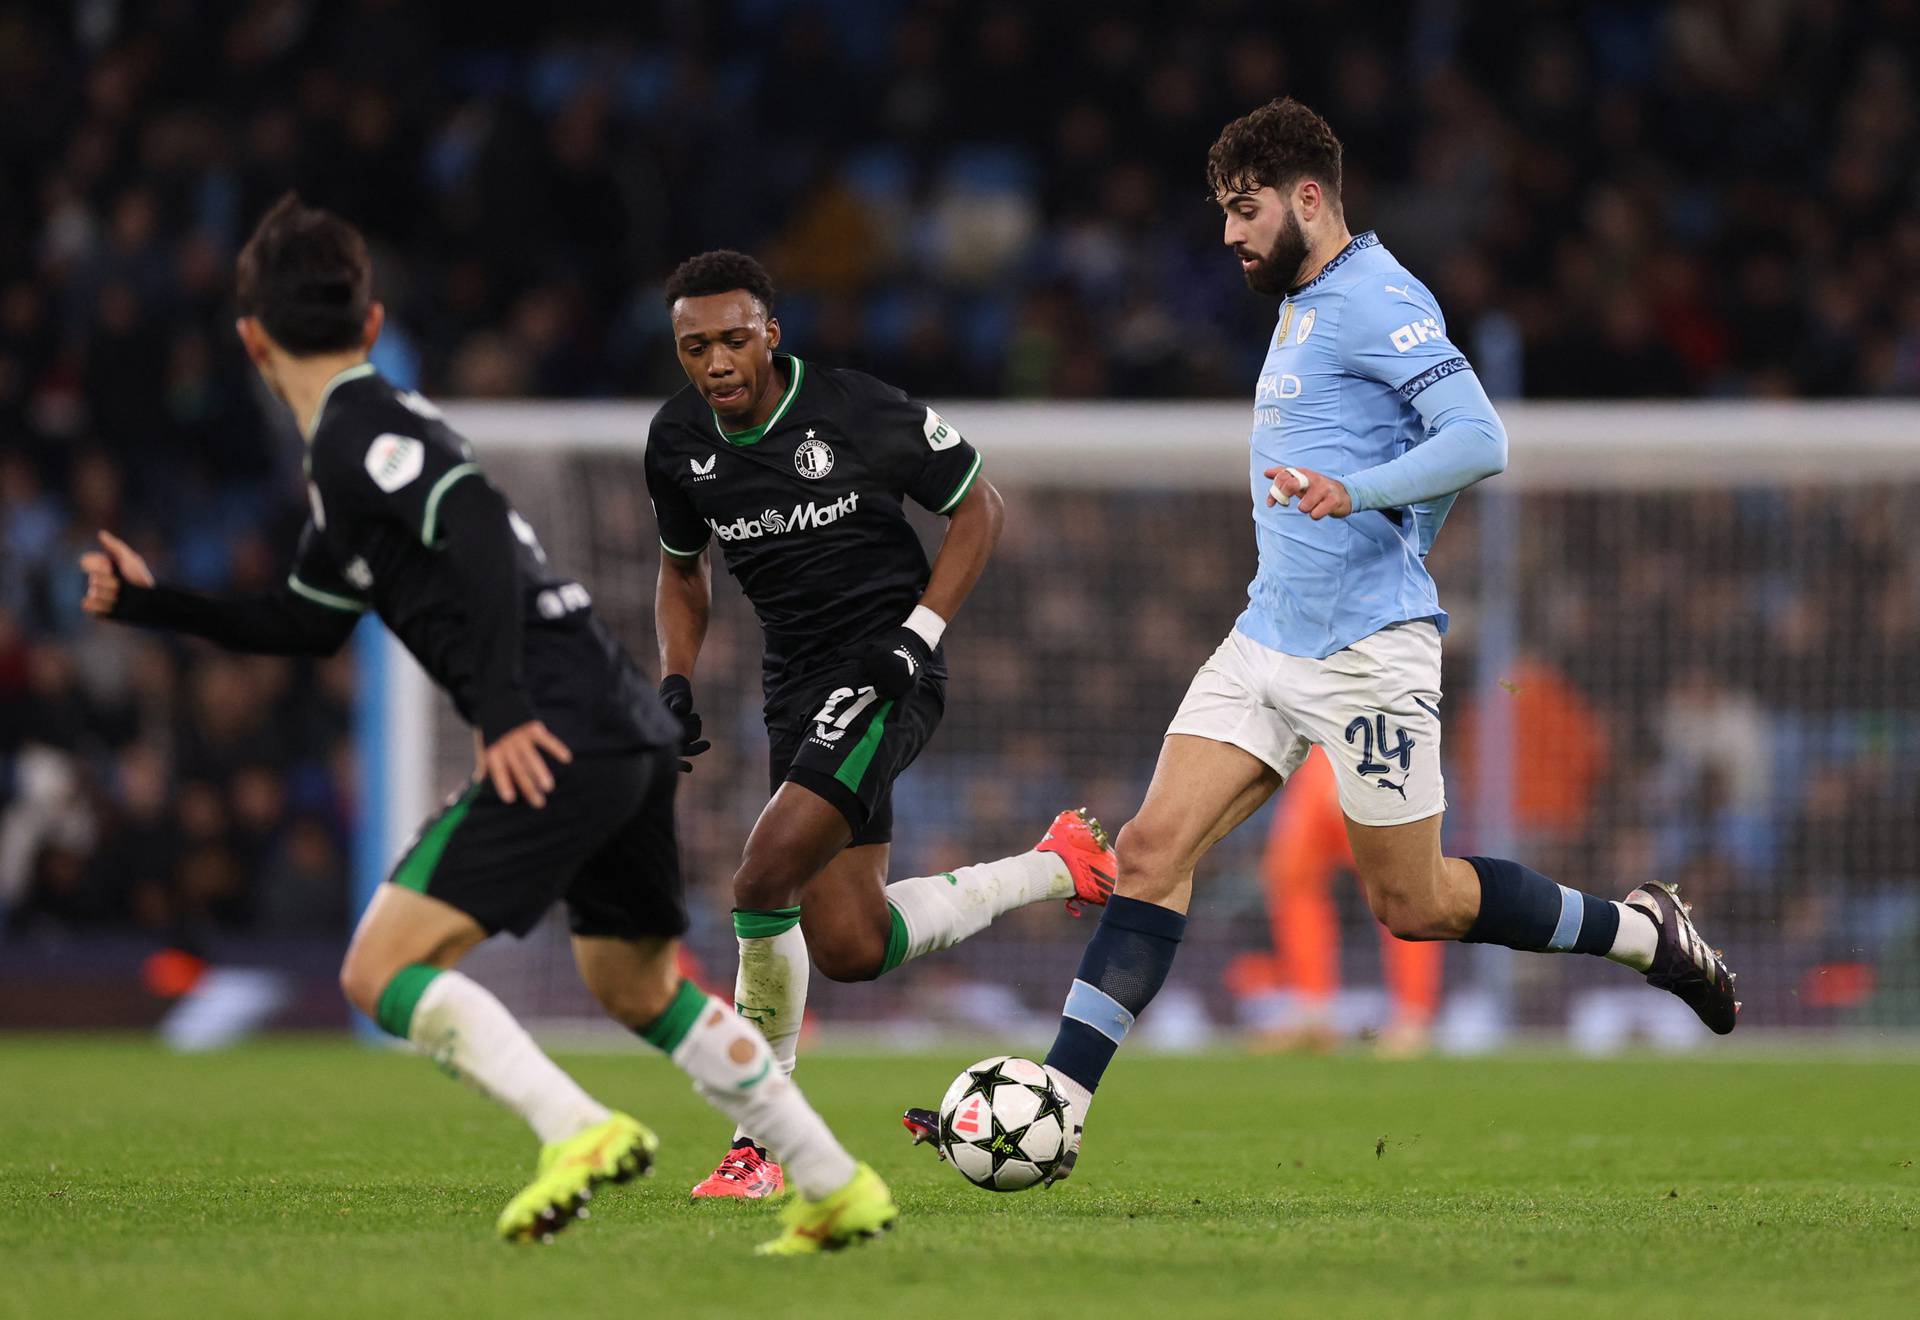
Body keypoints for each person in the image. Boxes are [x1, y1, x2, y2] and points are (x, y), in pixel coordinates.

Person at [914, 98, 1739, 1181]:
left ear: (1309, 196)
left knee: (1416, 903)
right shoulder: (1303, 301)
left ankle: (1643, 933)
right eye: (1223, 213)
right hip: (1267, 638)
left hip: (1367, 655)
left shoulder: (1378, 297)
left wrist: (1360, 495)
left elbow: (1478, 438)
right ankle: (1058, 1105)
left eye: (1245, 210)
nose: (1229, 234)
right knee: (1151, 853)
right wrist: (1376, 504)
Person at [78, 195, 893, 1256]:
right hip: (619, 727)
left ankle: (576, 1128)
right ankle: (833, 1184)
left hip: (557, 726)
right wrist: (155, 604)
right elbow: (303, 622)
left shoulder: (365, 432)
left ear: (250, 341)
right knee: (633, 984)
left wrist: (503, 709)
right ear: (370, 324)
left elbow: (466, 517)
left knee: (378, 969)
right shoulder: (358, 454)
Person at [645, 250, 1117, 1199]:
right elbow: (681, 572)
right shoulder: (677, 442)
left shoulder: (857, 409)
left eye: (735, 338)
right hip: (794, 691)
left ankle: (760, 1144)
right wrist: (675, 680)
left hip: (885, 666)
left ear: (770, 332)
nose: (718, 361)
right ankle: (1057, 863)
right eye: (696, 347)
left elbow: (978, 507)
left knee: (761, 873)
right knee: (850, 945)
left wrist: (918, 633)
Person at [1237, 746, 1442, 1055]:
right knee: (1291, 875)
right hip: (1319, 749)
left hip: (1374, 744)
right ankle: (1313, 1012)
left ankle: (1413, 1017)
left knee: (1400, 886)